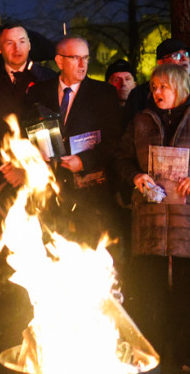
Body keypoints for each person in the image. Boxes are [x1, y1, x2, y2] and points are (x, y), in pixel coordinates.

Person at [114, 64, 190, 364]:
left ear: (181, 88)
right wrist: (135, 177)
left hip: (189, 219)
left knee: (188, 291)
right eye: (153, 87)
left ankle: (185, 356)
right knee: (149, 290)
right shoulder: (141, 121)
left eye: (164, 87)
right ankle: (150, 353)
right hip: (151, 218)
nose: (157, 93)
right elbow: (121, 158)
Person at [0, 24, 54, 294]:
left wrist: (27, 170)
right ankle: (3, 325)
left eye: (22, 41)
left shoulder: (48, 79)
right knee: (3, 250)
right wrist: (6, 167)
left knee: (44, 245)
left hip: (39, 180)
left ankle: (41, 319)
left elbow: (52, 130)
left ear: (30, 45)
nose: (17, 48)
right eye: (10, 43)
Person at [24, 36, 122, 247]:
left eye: (86, 58)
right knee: (51, 252)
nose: (83, 64)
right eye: (76, 58)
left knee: (88, 253)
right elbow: (26, 133)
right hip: (49, 190)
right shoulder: (37, 92)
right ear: (59, 61)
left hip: (89, 193)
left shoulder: (103, 94)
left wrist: (84, 161)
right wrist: (34, 153)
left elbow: (115, 140)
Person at [123, 38, 190, 136]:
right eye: (176, 55)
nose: (184, 58)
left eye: (185, 54)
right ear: (161, 63)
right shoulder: (141, 94)